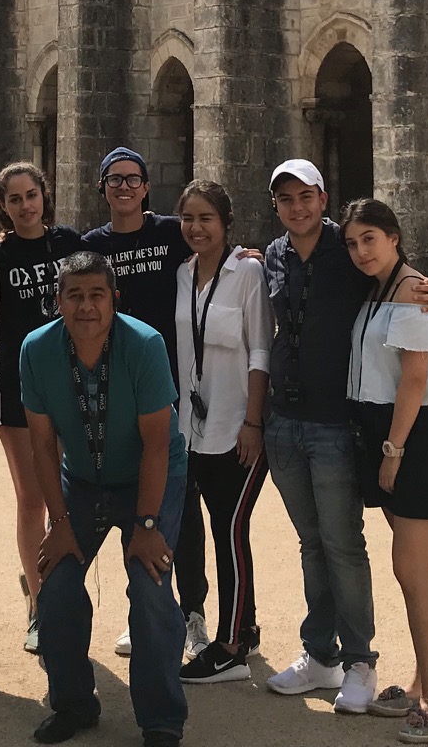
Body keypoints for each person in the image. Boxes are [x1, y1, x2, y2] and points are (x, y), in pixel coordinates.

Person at [260, 160, 428, 716]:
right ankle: (320, 654)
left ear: (323, 198)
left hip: (335, 422)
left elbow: (400, 276)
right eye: (286, 198)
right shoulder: (271, 256)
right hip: (284, 419)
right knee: (311, 542)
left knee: (343, 543)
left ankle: (360, 660)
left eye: (306, 196)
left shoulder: (348, 252)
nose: (297, 206)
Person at [20, 252, 188, 747]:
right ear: (58, 301)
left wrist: (148, 524)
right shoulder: (36, 349)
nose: (86, 306)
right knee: (55, 583)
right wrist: (59, 522)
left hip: (149, 478)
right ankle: (73, 703)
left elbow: (157, 443)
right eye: (74, 295)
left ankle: (161, 720)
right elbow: (42, 445)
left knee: (151, 585)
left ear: (114, 299)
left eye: (97, 294)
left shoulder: (145, 344)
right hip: (81, 481)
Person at [342, 200, 428, 745]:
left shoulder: (412, 290)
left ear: (393, 237)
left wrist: (393, 450)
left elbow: (415, 378)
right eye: (353, 242)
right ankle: (420, 685)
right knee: (427, 564)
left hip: (413, 435)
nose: (361, 251)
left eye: (370, 238)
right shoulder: (380, 288)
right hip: (390, 430)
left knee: (411, 567)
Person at [79, 146, 198, 658]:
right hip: (115, 388)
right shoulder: (91, 245)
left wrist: (248, 255)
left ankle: (190, 613)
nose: (124, 187)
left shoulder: (171, 232)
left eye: (133, 179)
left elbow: (211, 243)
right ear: (102, 188)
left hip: (170, 383)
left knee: (180, 507)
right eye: (115, 179)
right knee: (131, 504)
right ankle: (142, 611)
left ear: (147, 188)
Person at [170, 181, 272, 686]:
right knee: (217, 529)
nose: (196, 227)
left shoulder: (248, 272)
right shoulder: (183, 274)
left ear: (226, 223)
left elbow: (260, 351)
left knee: (230, 531)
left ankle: (229, 648)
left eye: (206, 218)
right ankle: (244, 628)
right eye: (188, 218)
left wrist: (253, 423)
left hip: (237, 428)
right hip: (195, 430)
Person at [0, 161, 82, 653]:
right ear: (3, 206)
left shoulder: (69, 244)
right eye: (15, 199)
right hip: (17, 387)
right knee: (32, 498)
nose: (25, 206)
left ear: (44, 195)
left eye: (32, 195)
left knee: (70, 495)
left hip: (71, 384)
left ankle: (62, 593)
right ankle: (40, 603)